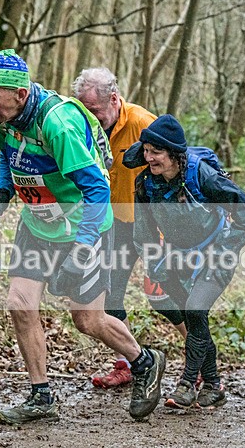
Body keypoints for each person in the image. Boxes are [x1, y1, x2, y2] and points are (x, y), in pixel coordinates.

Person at [0, 49, 166, 424]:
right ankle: (41, 396)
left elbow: (97, 189)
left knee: (88, 320)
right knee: (19, 303)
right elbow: (7, 153)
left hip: (84, 225)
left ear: (21, 94)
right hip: (36, 224)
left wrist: (82, 248)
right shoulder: (0, 113)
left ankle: (145, 361)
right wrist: (3, 191)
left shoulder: (58, 125)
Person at [125, 114, 245, 409]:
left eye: (156, 152)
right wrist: (154, 262)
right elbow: (144, 231)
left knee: (196, 310)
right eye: (145, 151)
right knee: (193, 318)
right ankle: (212, 385)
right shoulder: (145, 183)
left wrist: (224, 250)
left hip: (216, 250)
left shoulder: (202, 176)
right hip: (176, 254)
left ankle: (187, 383)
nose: (149, 158)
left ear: (174, 154)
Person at [72, 67, 188, 389]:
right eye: (83, 110)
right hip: (115, 226)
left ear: (114, 99)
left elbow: (176, 169)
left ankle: (201, 358)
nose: (90, 117)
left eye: (94, 110)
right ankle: (126, 364)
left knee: (164, 297)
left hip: (151, 224)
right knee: (111, 299)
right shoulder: (81, 126)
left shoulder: (141, 122)